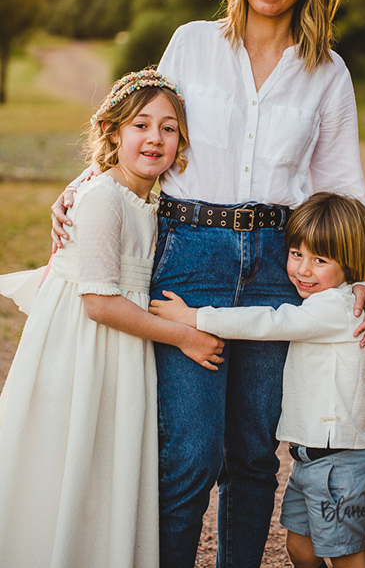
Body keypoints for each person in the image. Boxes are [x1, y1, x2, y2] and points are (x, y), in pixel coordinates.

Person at [52, 0, 365, 568]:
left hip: (275, 265)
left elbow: (342, 187)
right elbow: (147, 130)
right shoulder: (192, 43)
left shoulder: (328, 71)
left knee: (254, 453)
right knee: (188, 452)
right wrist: (86, 185)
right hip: (189, 255)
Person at [0, 72, 225, 567]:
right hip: (85, 344)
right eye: (140, 125)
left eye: (169, 129)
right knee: (74, 452)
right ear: (112, 132)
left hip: (118, 342)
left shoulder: (150, 199)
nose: (155, 139)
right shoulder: (104, 197)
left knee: (104, 462)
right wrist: (185, 337)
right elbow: (99, 303)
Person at [151, 192, 365, 568]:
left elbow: (269, 322)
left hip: (337, 462)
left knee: (346, 555)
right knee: (300, 549)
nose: (303, 270)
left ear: (351, 264)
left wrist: (195, 318)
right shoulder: (319, 302)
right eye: (296, 254)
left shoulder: (337, 309)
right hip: (307, 459)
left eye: (319, 261)